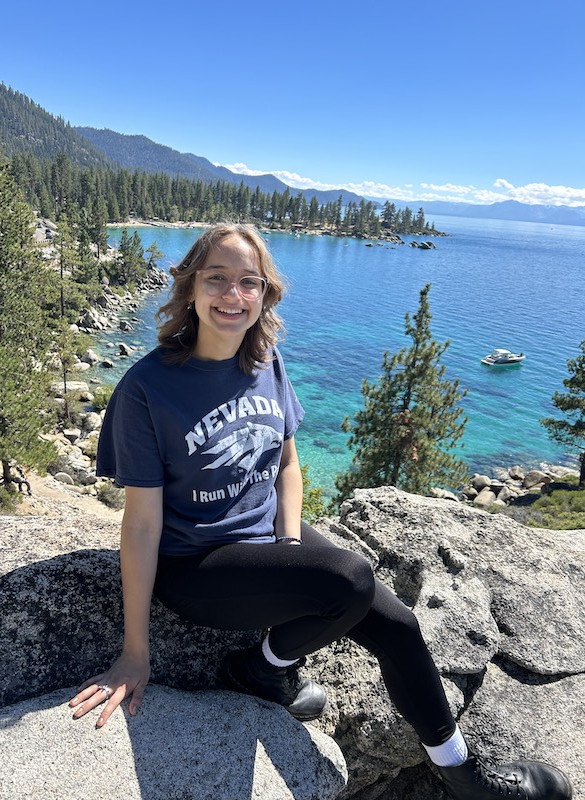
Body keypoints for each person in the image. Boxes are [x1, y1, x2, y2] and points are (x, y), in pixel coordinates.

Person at [69, 223, 572, 800]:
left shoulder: (266, 360)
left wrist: (289, 546)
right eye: (218, 280)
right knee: (350, 578)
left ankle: (461, 773)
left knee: (398, 624)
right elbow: (140, 523)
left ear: (265, 294)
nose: (234, 295)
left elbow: (286, 463)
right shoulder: (147, 387)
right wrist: (135, 653)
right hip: (197, 567)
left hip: (264, 540)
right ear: (188, 289)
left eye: (249, 283)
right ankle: (262, 669)